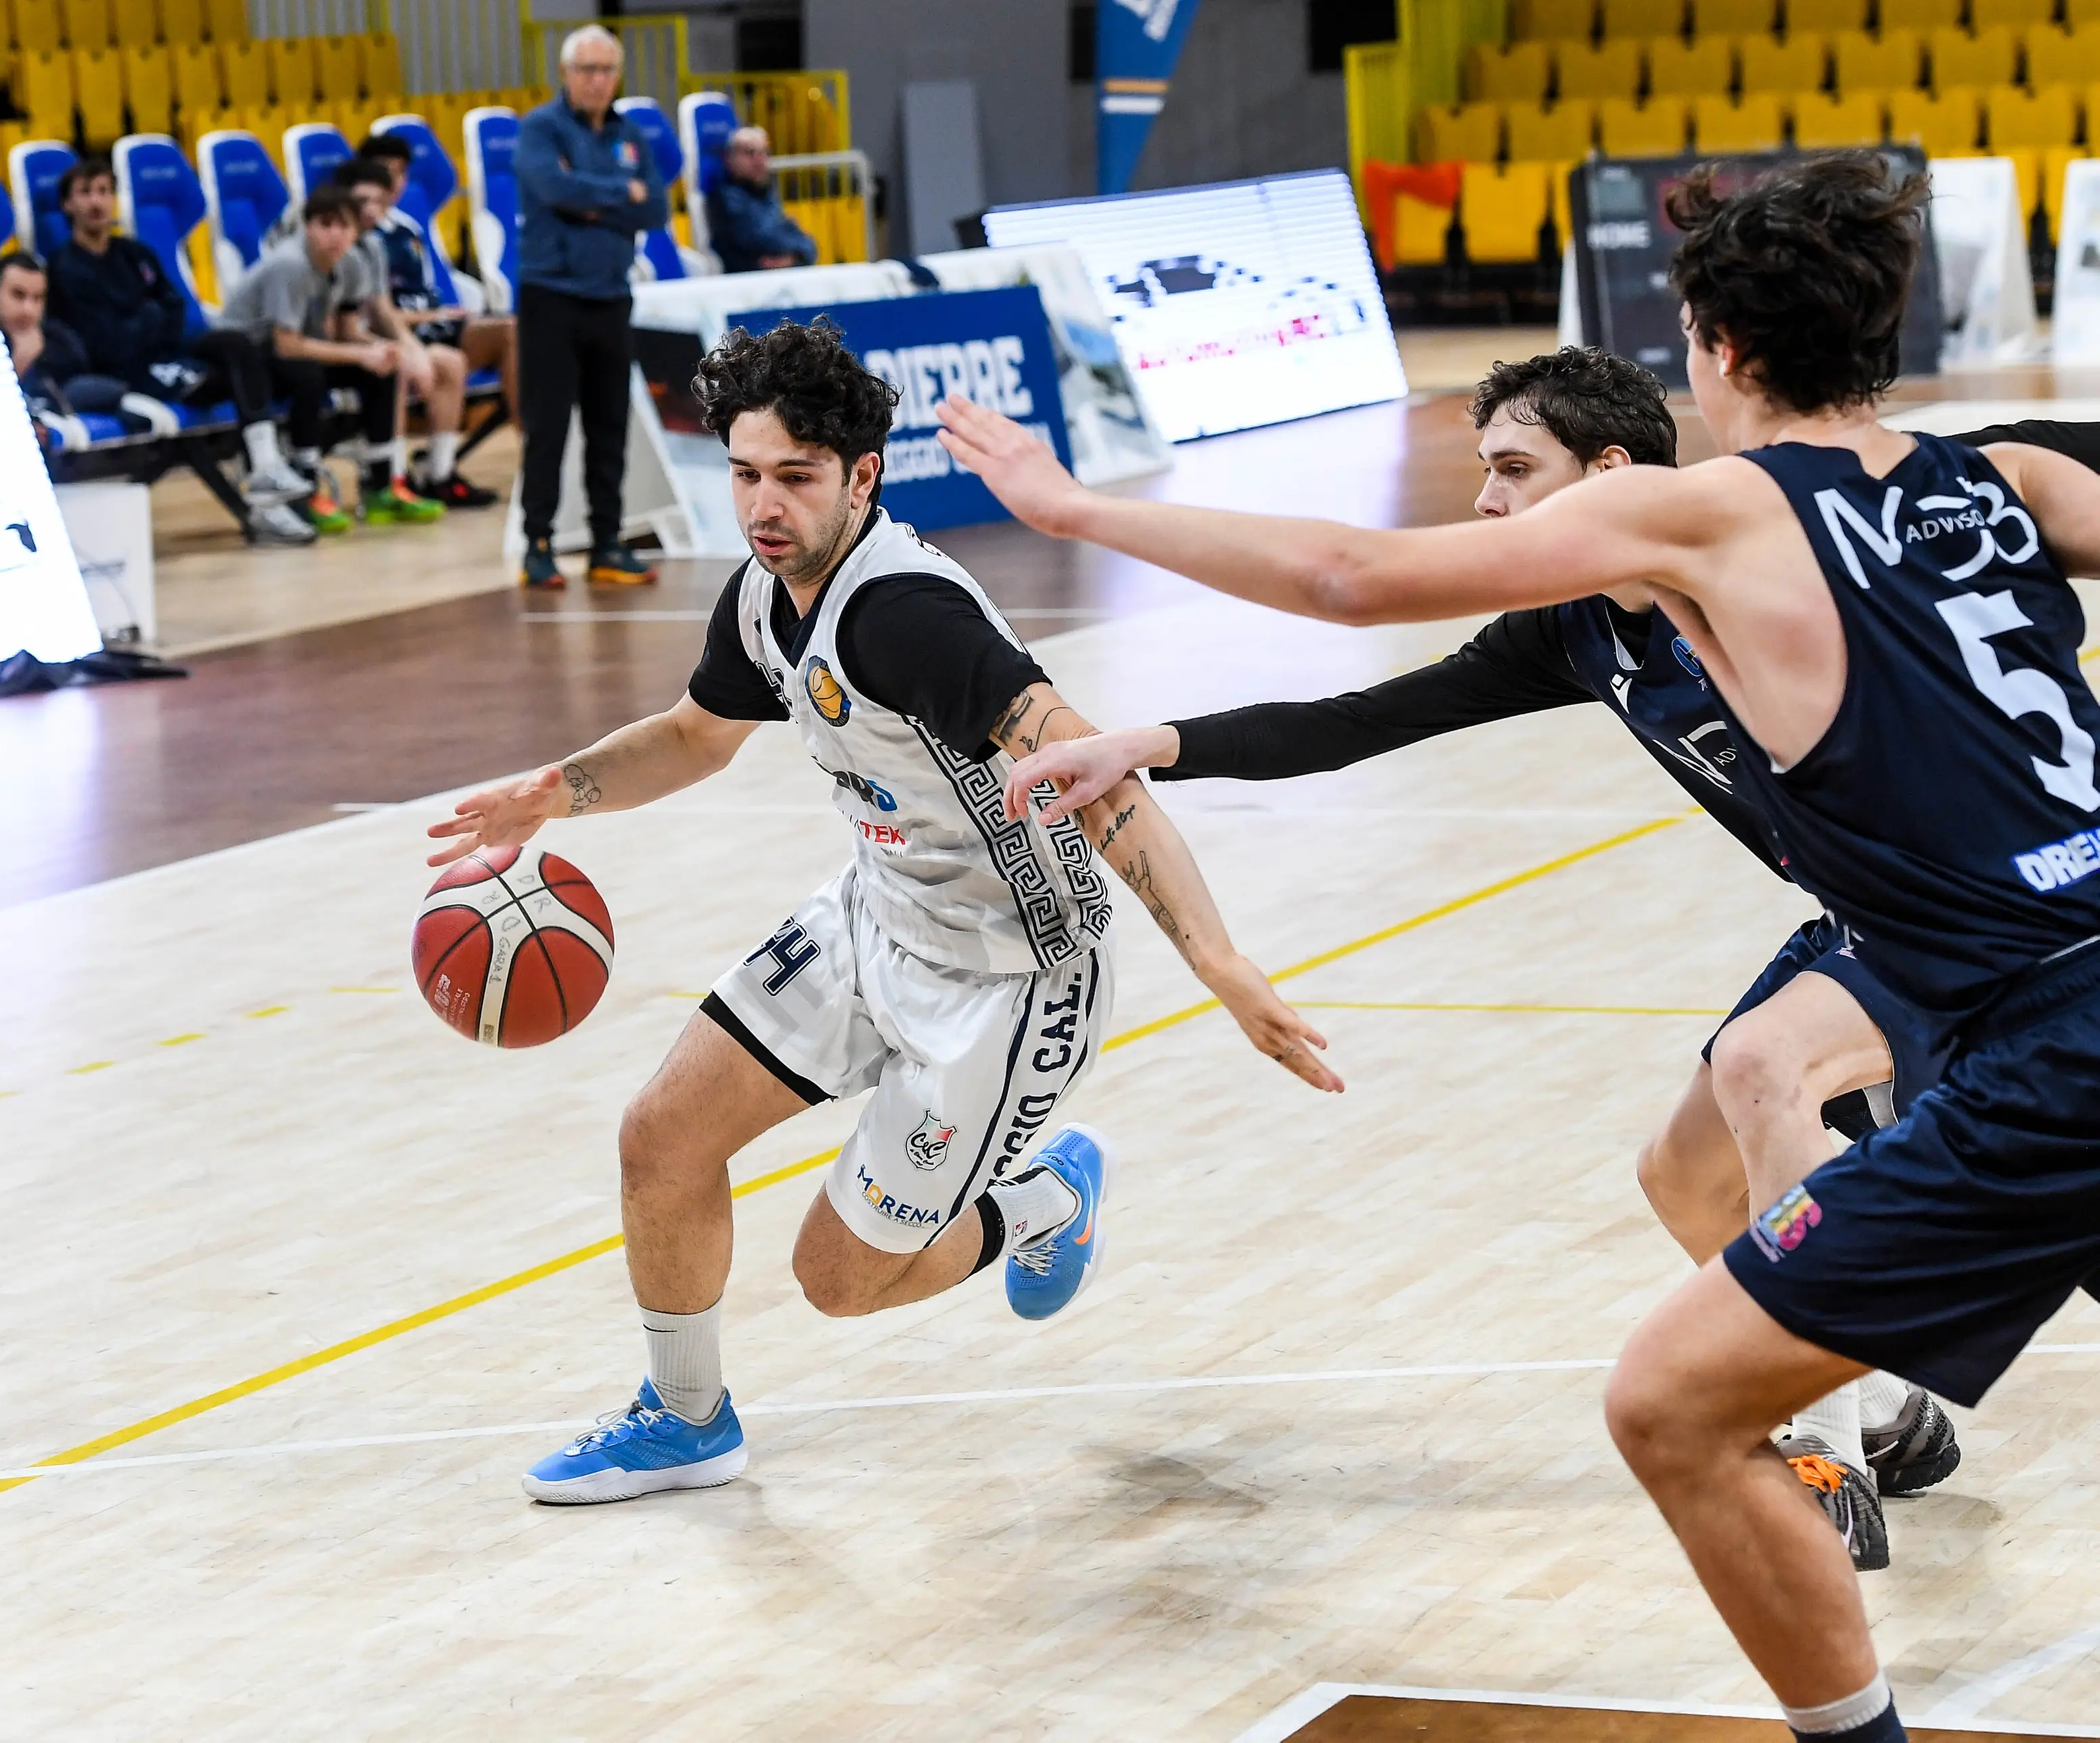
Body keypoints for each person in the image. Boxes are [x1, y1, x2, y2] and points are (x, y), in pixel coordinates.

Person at [941, 151, 2100, 1743]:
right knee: (1709, 1162)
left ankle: (1845, 1502)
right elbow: (1373, 701)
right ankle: (1867, 1401)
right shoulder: (2009, 477)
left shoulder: (1700, 511)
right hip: (2025, 987)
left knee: (1671, 1400)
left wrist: (1069, 508)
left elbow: (1351, 577)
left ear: (1707, 346)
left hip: (2040, 1040)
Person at [425, 320, 1339, 1504]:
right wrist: (559, 792)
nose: (764, 505)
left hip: (1011, 978)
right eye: (746, 474)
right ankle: (686, 1417)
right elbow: (699, 737)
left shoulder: (908, 616)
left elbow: (1090, 767)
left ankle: (1044, 1195)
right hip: (875, 915)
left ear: (862, 477)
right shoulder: (765, 593)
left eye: (796, 479)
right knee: (661, 1134)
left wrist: (1219, 958)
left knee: (840, 1281)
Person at [43, 159, 319, 546]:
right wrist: (151, 318)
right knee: (241, 380)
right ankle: (266, 501)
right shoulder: (65, 268)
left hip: (168, 356)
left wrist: (147, 320)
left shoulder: (136, 254)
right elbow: (106, 341)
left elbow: (174, 307)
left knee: (241, 347)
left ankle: (266, 466)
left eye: (105, 191)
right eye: (86, 193)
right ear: (68, 205)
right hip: (130, 374)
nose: (97, 202)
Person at [512, 24, 670, 589]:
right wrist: (615, 194)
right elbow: (555, 192)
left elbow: (654, 208)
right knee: (549, 425)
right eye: (587, 70)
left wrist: (594, 195)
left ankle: (606, 543)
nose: (598, 80)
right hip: (551, 295)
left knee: (609, 425)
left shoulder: (631, 134)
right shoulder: (541, 128)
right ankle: (538, 543)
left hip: (611, 296)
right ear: (565, 73)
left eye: (607, 70)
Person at [219, 182, 441, 533]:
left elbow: (347, 331)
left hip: (297, 350)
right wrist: (359, 353)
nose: (335, 235)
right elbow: (287, 345)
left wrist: (382, 350)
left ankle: (382, 486)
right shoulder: (290, 265)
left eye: (343, 226)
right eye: (325, 224)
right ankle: (306, 488)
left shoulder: (352, 263)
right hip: (245, 358)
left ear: (356, 231)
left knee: (381, 370)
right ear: (307, 227)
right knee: (309, 374)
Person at [344, 143, 502, 509]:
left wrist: (435, 319)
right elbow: (365, 317)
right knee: (396, 361)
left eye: (399, 173)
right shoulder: (349, 239)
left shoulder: (405, 229)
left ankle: (440, 472)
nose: (390, 184)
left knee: (470, 351)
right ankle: (392, 478)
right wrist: (411, 343)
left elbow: (407, 298)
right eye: (384, 172)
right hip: (359, 340)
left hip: (412, 326)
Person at [0, 250, 93, 405]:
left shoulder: (58, 338)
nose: (29, 310)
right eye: (18, 295)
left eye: (38, 298)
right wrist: (19, 363)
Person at [706, 126, 817, 272]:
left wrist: (795, 256)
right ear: (730, 158)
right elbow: (762, 239)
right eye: (750, 153)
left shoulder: (765, 194)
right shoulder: (727, 199)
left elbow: (809, 245)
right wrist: (797, 252)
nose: (760, 160)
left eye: (765, 153)